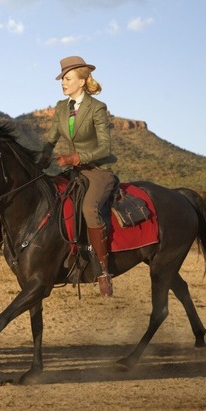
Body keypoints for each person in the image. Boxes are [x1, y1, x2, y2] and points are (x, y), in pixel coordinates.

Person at [41, 56, 117, 297]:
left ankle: (103, 271)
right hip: (73, 172)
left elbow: (105, 147)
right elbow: (51, 139)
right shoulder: (61, 107)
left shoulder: (97, 108)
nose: (63, 82)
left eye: (67, 78)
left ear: (82, 81)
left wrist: (76, 158)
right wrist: (39, 159)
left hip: (98, 171)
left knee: (88, 208)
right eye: (62, 78)